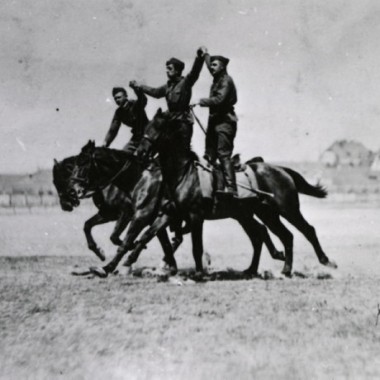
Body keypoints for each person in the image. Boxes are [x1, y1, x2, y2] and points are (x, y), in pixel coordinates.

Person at [130, 47, 206, 151]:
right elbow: (155, 92)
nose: (167, 71)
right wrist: (140, 86)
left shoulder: (185, 83)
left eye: (170, 68)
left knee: (181, 151)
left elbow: (194, 72)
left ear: (178, 70)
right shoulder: (168, 86)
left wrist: (199, 58)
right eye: (166, 68)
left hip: (182, 124)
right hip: (170, 121)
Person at [193, 52, 239, 198]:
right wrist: (205, 53)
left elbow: (219, 99)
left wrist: (200, 101)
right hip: (214, 123)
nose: (211, 68)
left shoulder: (226, 81)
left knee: (223, 155)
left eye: (215, 65)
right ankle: (215, 188)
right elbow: (210, 64)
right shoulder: (218, 77)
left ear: (223, 66)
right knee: (209, 155)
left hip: (225, 123)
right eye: (211, 65)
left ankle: (232, 189)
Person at [103, 85, 149, 155]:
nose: (117, 100)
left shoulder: (134, 104)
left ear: (125, 96)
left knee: (141, 153)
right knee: (124, 154)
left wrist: (136, 88)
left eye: (119, 97)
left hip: (148, 132)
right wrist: (105, 143)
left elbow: (143, 99)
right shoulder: (118, 113)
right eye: (115, 99)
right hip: (136, 136)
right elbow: (113, 130)